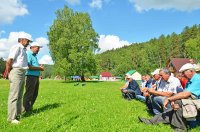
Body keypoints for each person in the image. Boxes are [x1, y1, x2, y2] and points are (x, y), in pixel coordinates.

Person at [138, 63, 200, 131]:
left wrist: (170, 99)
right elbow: (184, 93)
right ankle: (151, 121)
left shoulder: (197, 79)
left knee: (177, 103)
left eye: (183, 72)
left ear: (191, 71)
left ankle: (180, 128)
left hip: (196, 104)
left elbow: (185, 94)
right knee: (171, 111)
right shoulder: (190, 80)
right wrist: (172, 99)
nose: (182, 75)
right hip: (192, 102)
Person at [4, 32, 32, 124]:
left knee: (19, 95)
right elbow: (10, 60)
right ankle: (11, 118)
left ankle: (17, 115)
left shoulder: (23, 49)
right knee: (14, 96)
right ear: (22, 40)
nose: (29, 43)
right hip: (16, 71)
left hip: (22, 72)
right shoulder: (17, 47)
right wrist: (8, 72)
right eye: (28, 41)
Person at [23, 42, 44, 113]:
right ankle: (25, 110)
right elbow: (28, 66)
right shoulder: (28, 54)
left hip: (35, 77)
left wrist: (39, 68)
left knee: (35, 94)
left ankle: (29, 108)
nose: (39, 50)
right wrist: (39, 68)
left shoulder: (35, 56)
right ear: (32, 47)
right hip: (30, 77)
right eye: (38, 48)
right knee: (29, 94)